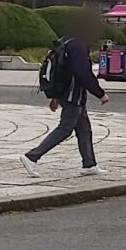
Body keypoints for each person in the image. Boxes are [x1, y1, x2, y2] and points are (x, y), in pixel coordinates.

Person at [20, 23, 111, 178]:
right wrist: (100, 93)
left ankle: (89, 164)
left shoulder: (65, 42)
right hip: (73, 94)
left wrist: (55, 96)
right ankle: (32, 156)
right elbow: (83, 73)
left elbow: (61, 71)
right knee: (65, 128)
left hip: (67, 93)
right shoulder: (77, 45)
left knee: (84, 129)